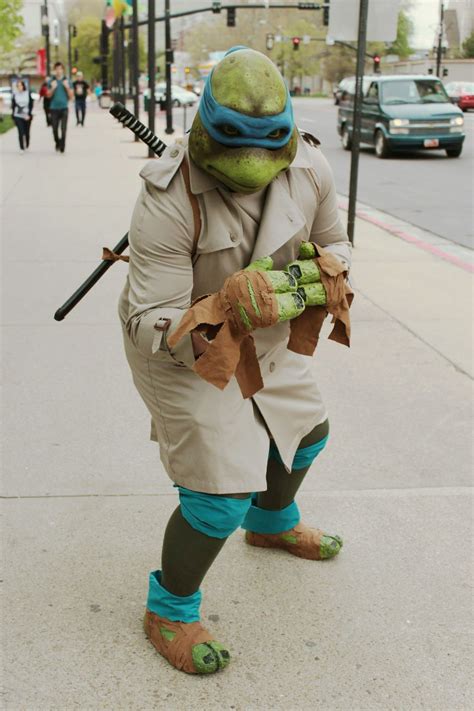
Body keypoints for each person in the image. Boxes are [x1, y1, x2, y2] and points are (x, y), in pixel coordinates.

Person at [118, 47, 352, 675]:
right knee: (216, 498)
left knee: (306, 435)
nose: (249, 169)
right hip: (184, 354)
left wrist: (326, 272)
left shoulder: (310, 165)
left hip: (269, 336)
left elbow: (336, 241)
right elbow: (147, 324)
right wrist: (218, 309)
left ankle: (272, 521)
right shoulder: (167, 198)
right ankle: (168, 608)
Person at [47, 62, 73, 153]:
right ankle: (57, 142)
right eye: (57, 69)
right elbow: (48, 95)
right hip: (53, 108)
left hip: (64, 108)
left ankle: (62, 146)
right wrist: (53, 88)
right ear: (55, 70)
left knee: (63, 129)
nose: (58, 71)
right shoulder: (51, 81)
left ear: (63, 70)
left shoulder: (67, 80)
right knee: (54, 129)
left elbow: (71, 96)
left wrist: (67, 87)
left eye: (60, 69)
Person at [12, 80, 34, 152]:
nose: (19, 87)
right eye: (18, 86)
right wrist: (13, 116)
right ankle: (21, 148)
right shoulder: (15, 95)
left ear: (23, 86)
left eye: (20, 85)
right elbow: (14, 106)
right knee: (21, 132)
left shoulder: (27, 93)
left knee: (27, 133)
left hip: (27, 116)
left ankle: (27, 143)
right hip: (18, 116)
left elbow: (31, 105)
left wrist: (29, 114)